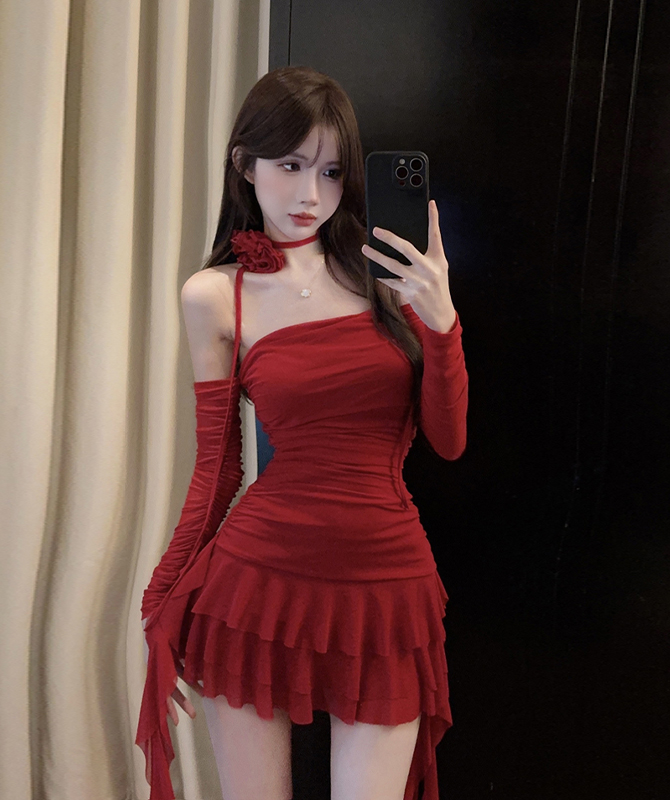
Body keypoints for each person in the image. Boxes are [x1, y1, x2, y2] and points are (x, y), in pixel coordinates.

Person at [136, 65, 468, 800]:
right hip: (257, 583)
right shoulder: (215, 295)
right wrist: (161, 600)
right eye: (290, 166)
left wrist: (442, 322)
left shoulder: (393, 280)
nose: (311, 195)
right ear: (244, 164)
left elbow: (448, 441)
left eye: (331, 171)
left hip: (386, 588)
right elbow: (218, 468)